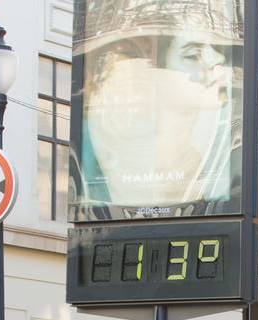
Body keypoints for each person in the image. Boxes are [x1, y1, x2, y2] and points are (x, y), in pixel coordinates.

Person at [77, 0, 243, 217]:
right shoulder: (99, 161)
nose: (218, 60)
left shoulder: (224, 150)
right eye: (193, 55)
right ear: (152, 73)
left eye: (219, 49)